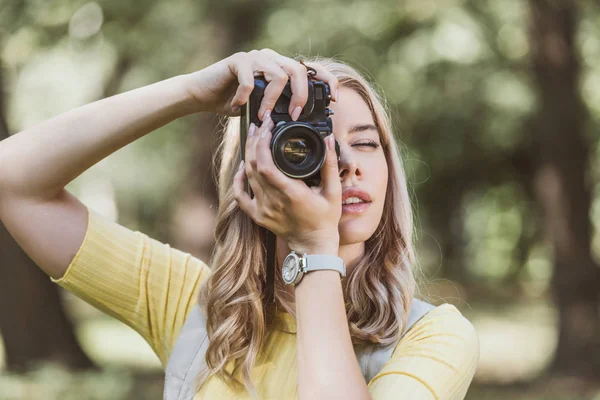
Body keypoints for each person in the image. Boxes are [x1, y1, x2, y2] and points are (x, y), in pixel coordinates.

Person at [0, 48, 479, 399]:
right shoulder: (198, 307)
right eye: (311, 144)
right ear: (253, 168)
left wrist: (314, 247)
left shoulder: (435, 338)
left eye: (366, 143)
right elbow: (12, 182)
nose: (344, 164)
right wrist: (190, 92)